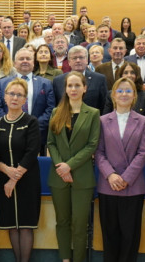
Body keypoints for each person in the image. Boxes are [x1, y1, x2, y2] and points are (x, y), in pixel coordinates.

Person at [94, 77, 145, 262]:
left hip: (132, 186)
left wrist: (125, 177)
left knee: (130, 236)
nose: (124, 94)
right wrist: (111, 175)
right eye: (120, 90)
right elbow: (99, 152)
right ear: (113, 95)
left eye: (128, 91)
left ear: (134, 95)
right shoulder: (102, 120)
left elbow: (143, 153)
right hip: (108, 184)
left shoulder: (142, 121)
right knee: (109, 235)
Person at [47, 71, 101, 262]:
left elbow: (92, 145)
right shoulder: (56, 112)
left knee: (79, 224)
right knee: (62, 222)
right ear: (66, 89)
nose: (73, 89)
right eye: (70, 85)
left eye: (77, 85)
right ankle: (65, 259)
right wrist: (61, 168)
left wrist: (68, 166)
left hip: (82, 176)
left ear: (84, 88)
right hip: (58, 177)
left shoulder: (93, 113)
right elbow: (51, 143)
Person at [0, 78, 42, 262]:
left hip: (27, 180)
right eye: (11, 94)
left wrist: (14, 178)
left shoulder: (31, 121)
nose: (14, 97)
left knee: (26, 225)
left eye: (19, 95)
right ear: (5, 97)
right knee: (12, 226)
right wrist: (6, 170)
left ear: (25, 100)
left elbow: (32, 151)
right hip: (3, 179)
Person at [53, 46, 111, 114]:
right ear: (69, 62)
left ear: (86, 60)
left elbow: (104, 105)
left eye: (81, 57)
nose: (78, 60)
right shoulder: (58, 81)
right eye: (74, 58)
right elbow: (57, 105)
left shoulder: (99, 79)